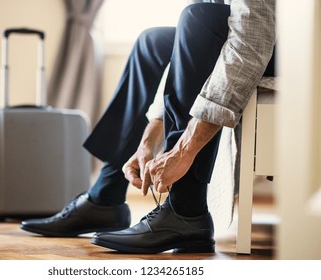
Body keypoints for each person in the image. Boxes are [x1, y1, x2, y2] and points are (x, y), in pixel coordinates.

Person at [20, 0, 276, 254]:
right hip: (250, 34)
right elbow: (184, 54)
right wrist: (148, 142)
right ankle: (105, 195)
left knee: (201, 18)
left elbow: (251, 41)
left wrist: (183, 151)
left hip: (290, 46)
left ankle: (186, 210)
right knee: (153, 41)